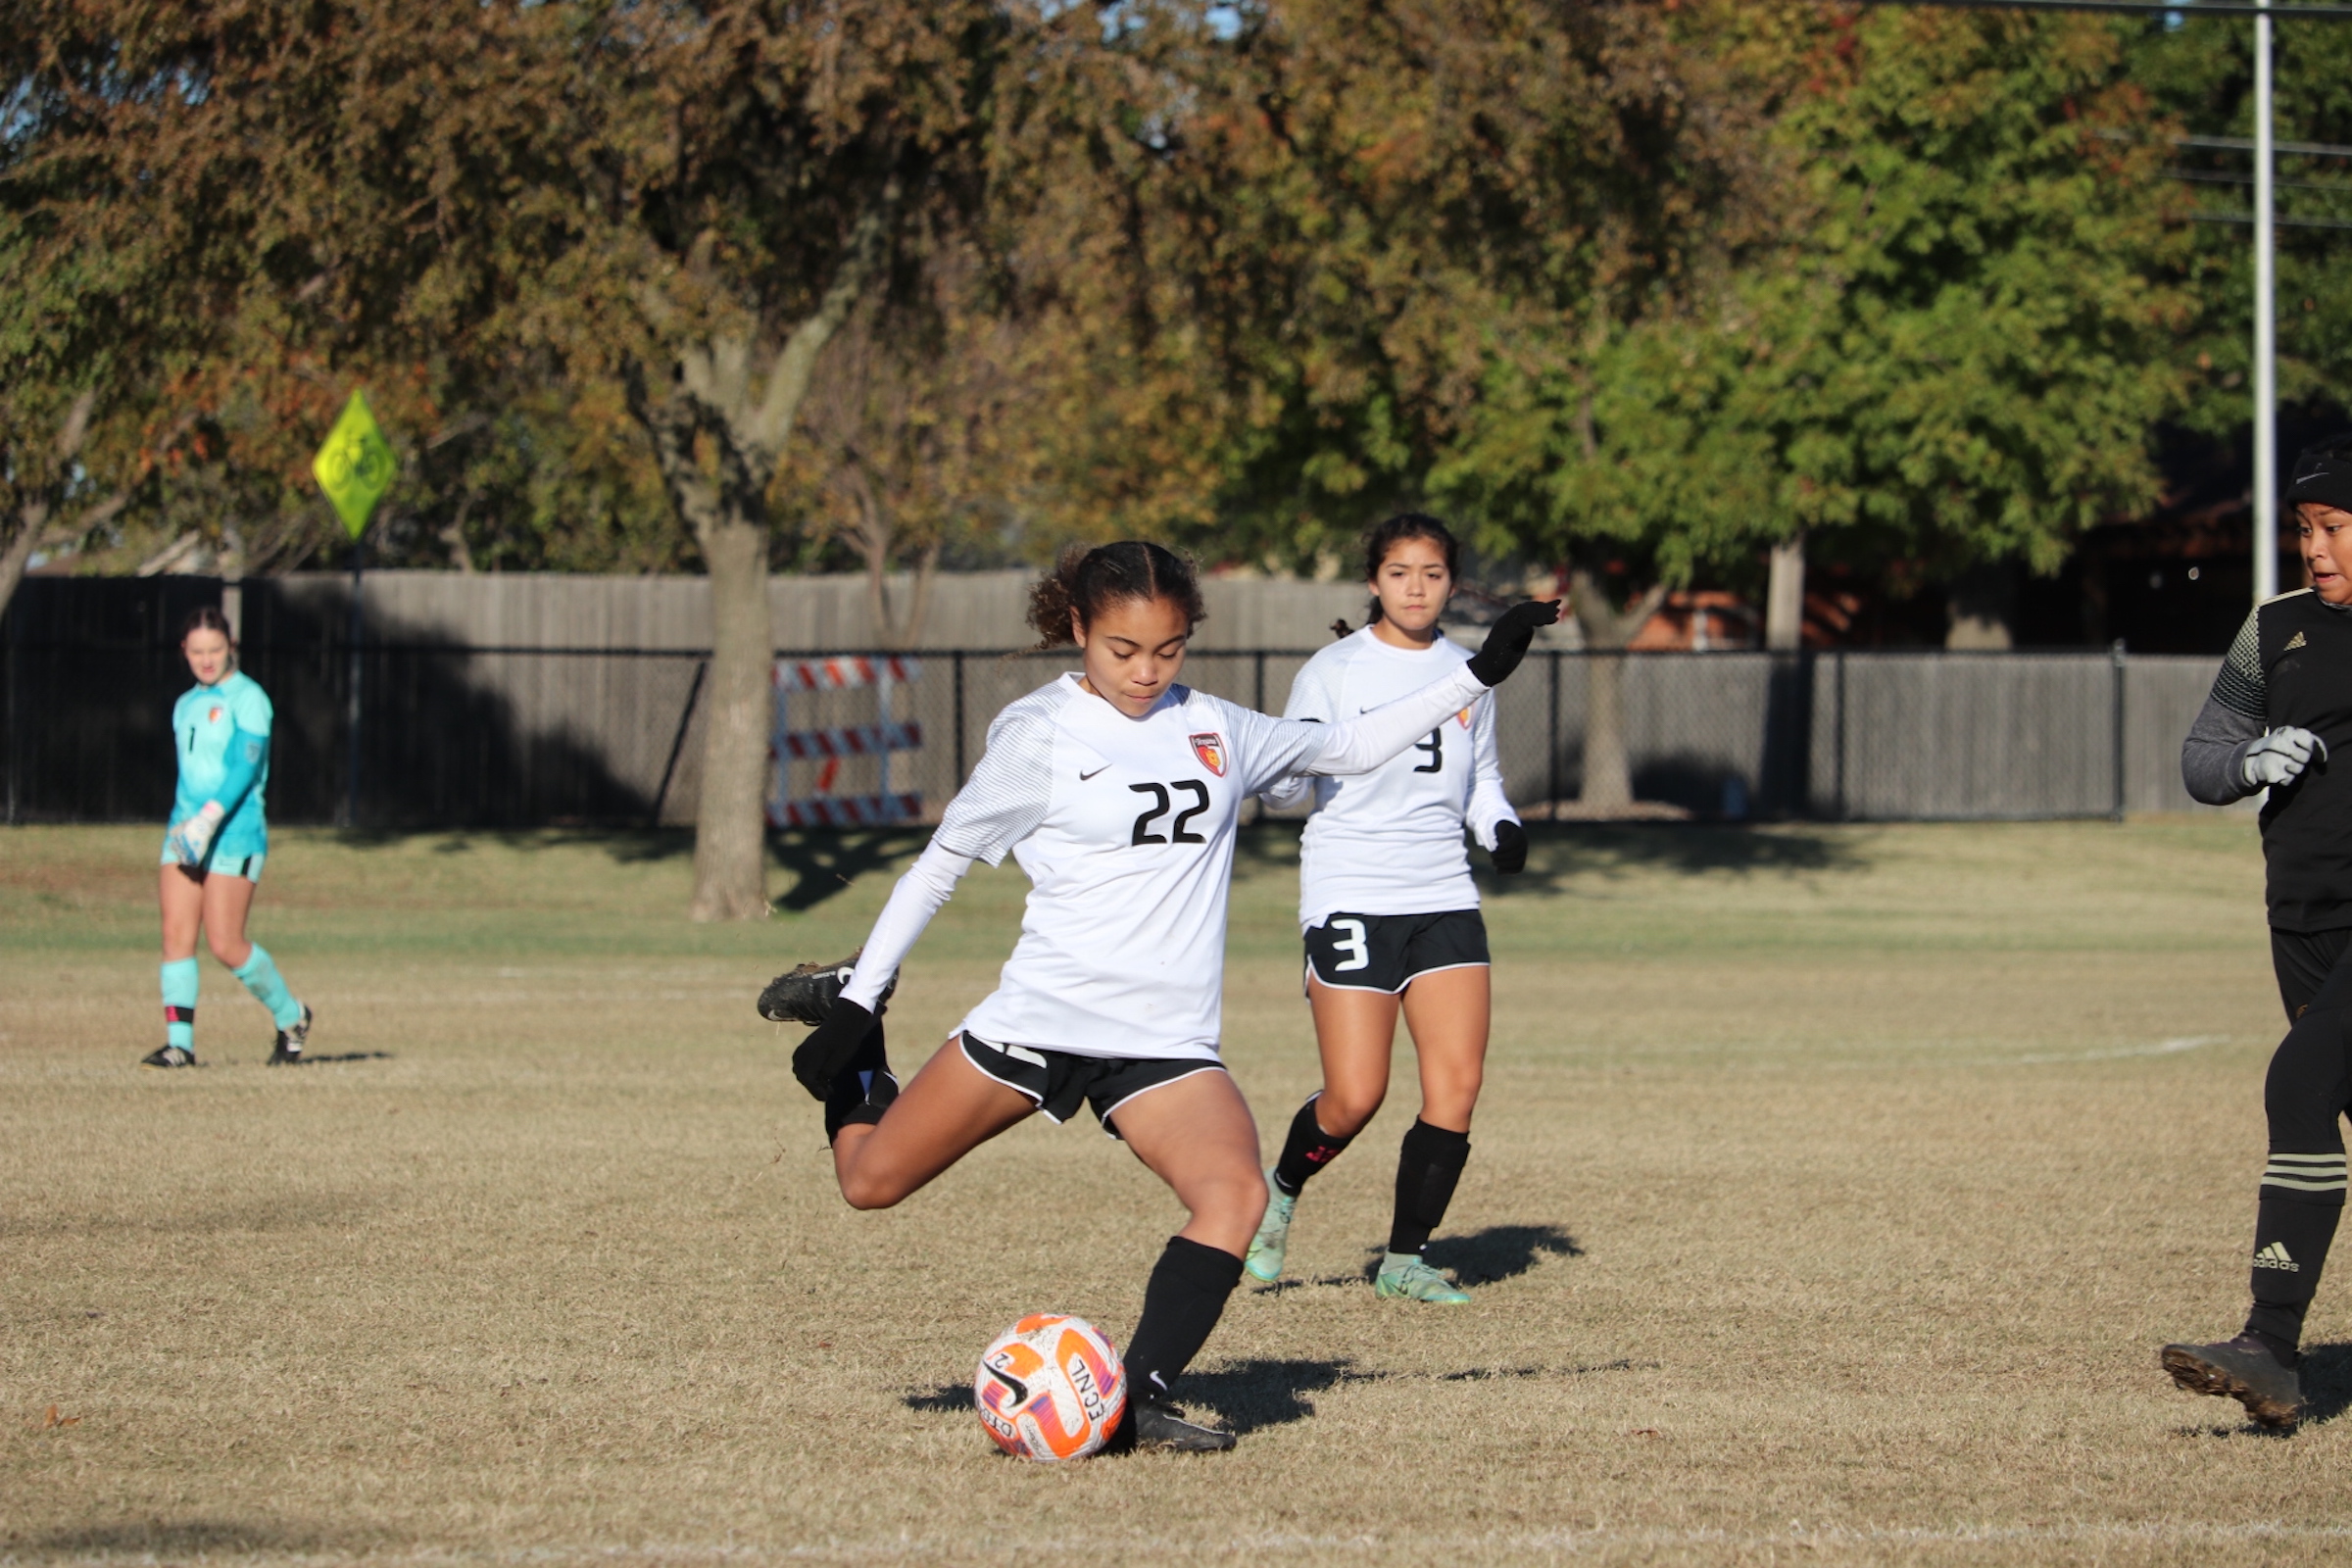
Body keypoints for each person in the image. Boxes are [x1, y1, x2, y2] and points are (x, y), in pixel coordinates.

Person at [782, 541, 1557, 1451]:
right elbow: (938, 867)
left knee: (1232, 1197)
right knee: (868, 1183)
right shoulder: (1038, 733)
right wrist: (860, 1006)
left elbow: (1348, 746)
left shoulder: (1221, 727)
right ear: (1077, 628)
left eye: (1168, 649)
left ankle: (1136, 1400)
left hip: (1162, 1043)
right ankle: (861, 1064)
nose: (1146, 672)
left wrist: (1477, 672)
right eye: (1121, 650)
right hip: (1040, 1020)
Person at [1241, 514, 1527, 1304]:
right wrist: (1285, 778)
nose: (1415, 587)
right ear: (1374, 581)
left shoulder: (1475, 671)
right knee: (1355, 1095)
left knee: (1456, 1087)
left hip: (1443, 896)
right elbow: (1291, 776)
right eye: (1399, 572)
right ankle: (1281, 1192)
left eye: (1432, 574)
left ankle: (1404, 1260)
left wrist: (1499, 825)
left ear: (1451, 583)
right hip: (1353, 894)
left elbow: (1484, 780)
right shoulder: (1334, 671)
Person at [2164, 438, 2352, 1427]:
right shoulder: (2272, 628)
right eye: (2305, 531)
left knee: (2298, 1081)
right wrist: (2249, 762)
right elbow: (2201, 756)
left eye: (2332, 529)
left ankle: (2270, 1347)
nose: (2313, 549)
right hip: (2301, 918)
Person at [149, 607, 313, 1069]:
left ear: (231, 647)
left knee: (225, 944)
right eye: (197, 651)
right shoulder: (185, 704)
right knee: (175, 935)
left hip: (233, 835)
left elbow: (245, 766)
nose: (206, 659)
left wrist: (209, 819)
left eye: (215, 650)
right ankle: (180, 1045)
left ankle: (292, 1017)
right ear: (184, 650)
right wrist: (190, 825)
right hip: (185, 831)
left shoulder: (249, 698)